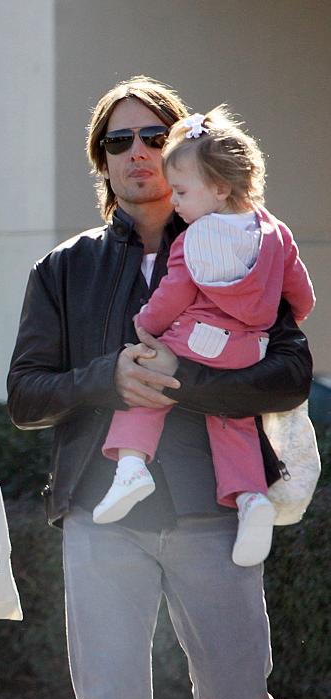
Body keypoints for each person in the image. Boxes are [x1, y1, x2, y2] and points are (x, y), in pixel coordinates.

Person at [7, 76, 311, 699]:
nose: (136, 153)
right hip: (103, 520)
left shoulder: (241, 243)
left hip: (214, 515)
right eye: (117, 140)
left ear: (183, 153)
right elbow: (27, 393)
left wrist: (188, 387)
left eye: (153, 137)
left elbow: (289, 370)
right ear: (100, 162)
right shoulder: (63, 270)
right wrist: (109, 378)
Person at [94, 106, 315, 568]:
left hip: (196, 339)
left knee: (148, 383)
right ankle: (251, 496)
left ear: (218, 188)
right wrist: (289, 311)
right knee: (230, 415)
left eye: (181, 191)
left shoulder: (191, 240)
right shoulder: (274, 232)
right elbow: (301, 293)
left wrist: (146, 328)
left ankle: (132, 464)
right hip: (250, 348)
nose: (175, 201)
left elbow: (172, 296)